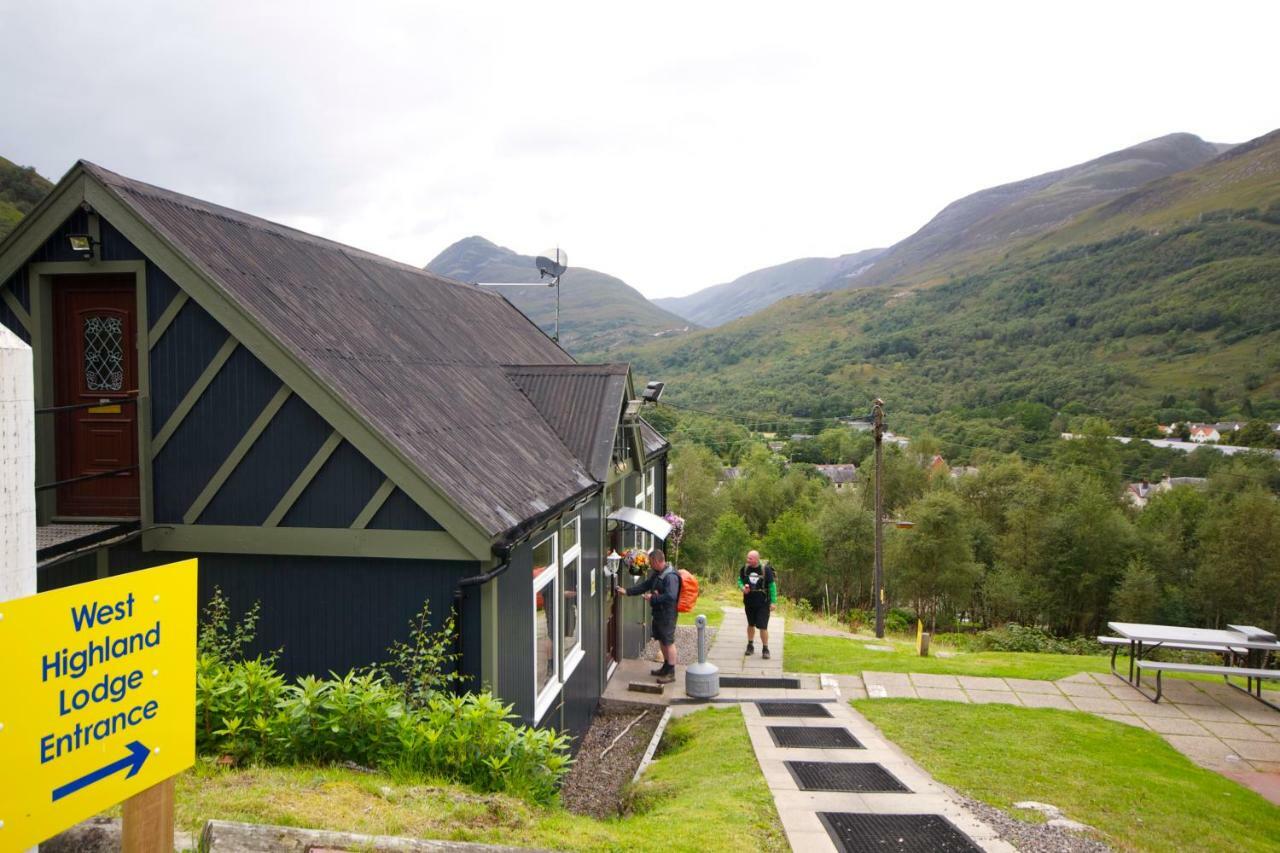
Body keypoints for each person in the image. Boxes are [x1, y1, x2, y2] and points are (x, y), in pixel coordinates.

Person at [623, 548, 681, 683]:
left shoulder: (671, 576)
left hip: (668, 614)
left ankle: (671, 673)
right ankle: (666, 667)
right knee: (662, 640)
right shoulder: (657, 573)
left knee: (668, 642)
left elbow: (671, 596)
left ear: (656, 561)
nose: (649, 564)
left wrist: (653, 598)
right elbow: (645, 585)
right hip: (659, 613)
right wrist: (627, 591)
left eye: (650, 562)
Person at [739, 550, 776, 659]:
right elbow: (739, 580)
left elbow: (772, 586)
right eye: (747, 558)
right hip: (749, 602)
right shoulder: (745, 569)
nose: (747, 560)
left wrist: (773, 602)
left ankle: (765, 649)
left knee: (763, 627)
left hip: (763, 603)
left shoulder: (766, 570)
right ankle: (750, 645)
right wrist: (742, 588)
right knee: (751, 624)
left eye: (750, 558)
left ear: (756, 559)